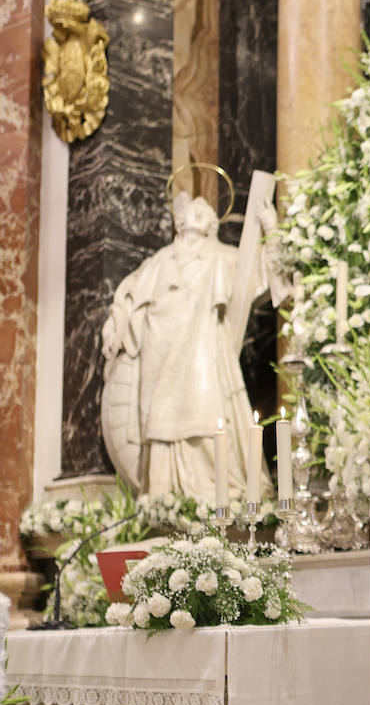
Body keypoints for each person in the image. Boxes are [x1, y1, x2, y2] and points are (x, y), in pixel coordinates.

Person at [101, 191, 267, 503]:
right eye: (190, 213)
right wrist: (113, 326)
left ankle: (208, 491)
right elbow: (127, 296)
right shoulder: (160, 260)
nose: (195, 217)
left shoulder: (221, 257)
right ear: (178, 224)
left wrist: (271, 231)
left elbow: (258, 275)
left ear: (209, 225)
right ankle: (165, 494)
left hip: (200, 349)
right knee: (160, 420)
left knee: (205, 412)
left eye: (202, 213)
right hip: (159, 350)